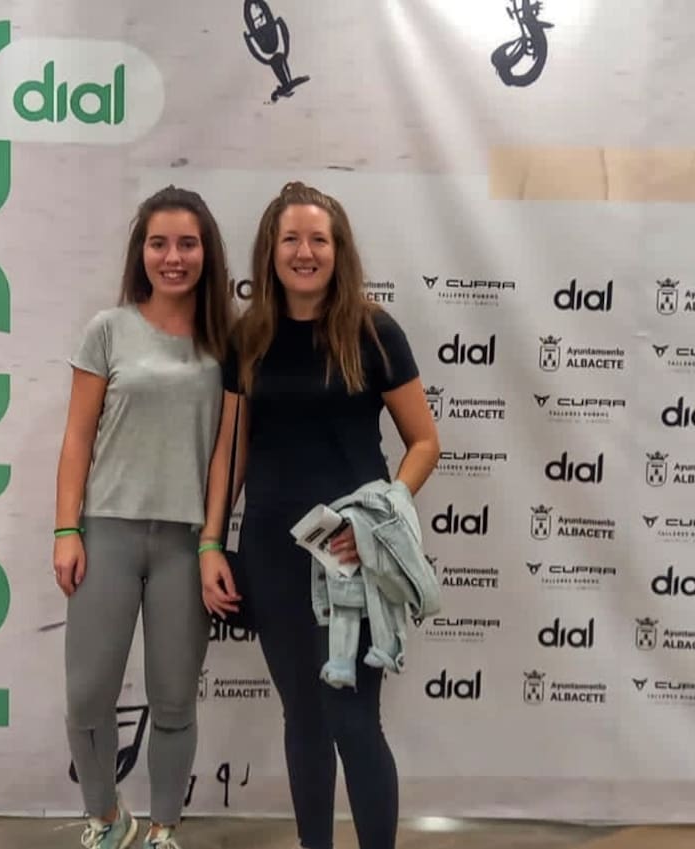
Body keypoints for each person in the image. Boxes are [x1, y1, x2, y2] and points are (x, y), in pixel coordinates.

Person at [197, 181, 440, 849]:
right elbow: (230, 453)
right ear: (270, 251)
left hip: (350, 556)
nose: (305, 252)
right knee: (302, 719)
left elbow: (425, 442)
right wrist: (212, 544)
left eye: (318, 240)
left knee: (353, 721)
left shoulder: (373, 331)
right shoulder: (248, 336)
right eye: (291, 239)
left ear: (339, 250)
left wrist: (378, 522)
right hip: (271, 553)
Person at [53, 186, 233, 849]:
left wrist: (212, 540)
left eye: (187, 243)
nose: (173, 257)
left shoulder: (229, 342)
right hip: (106, 532)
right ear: (142, 251)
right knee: (87, 697)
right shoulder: (108, 330)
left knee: (175, 698)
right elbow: (77, 438)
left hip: (186, 543)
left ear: (207, 253)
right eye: (159, 243)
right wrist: (66, 529)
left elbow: (226, 455)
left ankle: (162, 828)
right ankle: (106, 818)